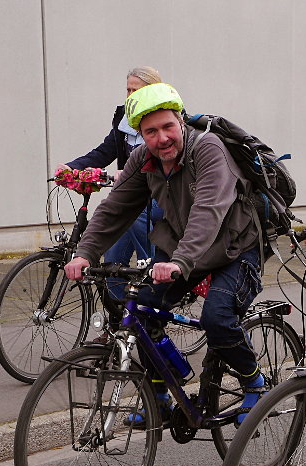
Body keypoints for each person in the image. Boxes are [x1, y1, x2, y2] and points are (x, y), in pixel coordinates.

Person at [64, 83, 266, 424]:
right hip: (184, 252)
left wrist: (179, 262)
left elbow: (209, 210)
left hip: (236, 247)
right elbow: (115, 208)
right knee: (141, 313)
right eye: (150, 131)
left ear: (181, 121)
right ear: (141, 135)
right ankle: (160, 394)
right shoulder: (145, 159)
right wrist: (85, 252)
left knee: (218, 318)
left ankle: (254, 381)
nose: (162, 138)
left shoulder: (208, 149)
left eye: (168, 127)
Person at [56, 66, 165, 297]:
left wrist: (128, 172)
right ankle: (117, 329)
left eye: (136, 90)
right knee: (111, 265)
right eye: (127, 90)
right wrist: (72, 167)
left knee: (138, 214)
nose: (130, 96)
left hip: (161, 197)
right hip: (134, 200)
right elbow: (105, 152)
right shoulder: (125, 121)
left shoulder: (164, 119)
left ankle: (154, 275)